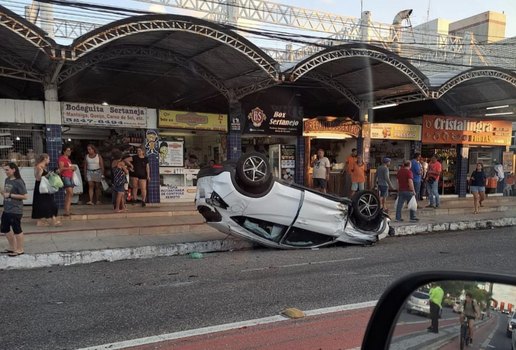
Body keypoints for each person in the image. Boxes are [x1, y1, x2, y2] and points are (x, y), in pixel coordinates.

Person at [1, 162, 28, 257]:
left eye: (7, 170)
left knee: (17, 229)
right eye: (5, 170)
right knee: (5, 228)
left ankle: (20, 249)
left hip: (15, 210)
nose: (6, 172)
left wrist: (11, 195)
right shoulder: (7, 180)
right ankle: (12, 247)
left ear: (13, 170)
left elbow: (25, 196)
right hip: (7, 209)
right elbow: (5, 194)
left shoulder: (19, 182)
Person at [32, 153, 60, 227]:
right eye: (49, 159)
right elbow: (38, 178)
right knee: (45, 203)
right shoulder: (39, 167)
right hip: (41, 188)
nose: (49, 160)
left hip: (44, 187)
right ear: (45, 158)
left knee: (47, 203)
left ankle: (50, 219)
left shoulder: (43, 167)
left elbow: (44, 177)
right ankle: (48, 220)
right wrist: (46, 175)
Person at [59, 145, 75, 216]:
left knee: (69, 194)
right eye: (68, 151)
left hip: (70, 176)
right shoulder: (62, 158)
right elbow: (61, 168)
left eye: (70, 151)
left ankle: (67, 211)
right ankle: (66, 210)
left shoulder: (68, 159)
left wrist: (72, 169)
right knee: (70, 193)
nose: (69, 152)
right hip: (65, 177)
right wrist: (69, 168)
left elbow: (69, 168)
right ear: (64, 151)